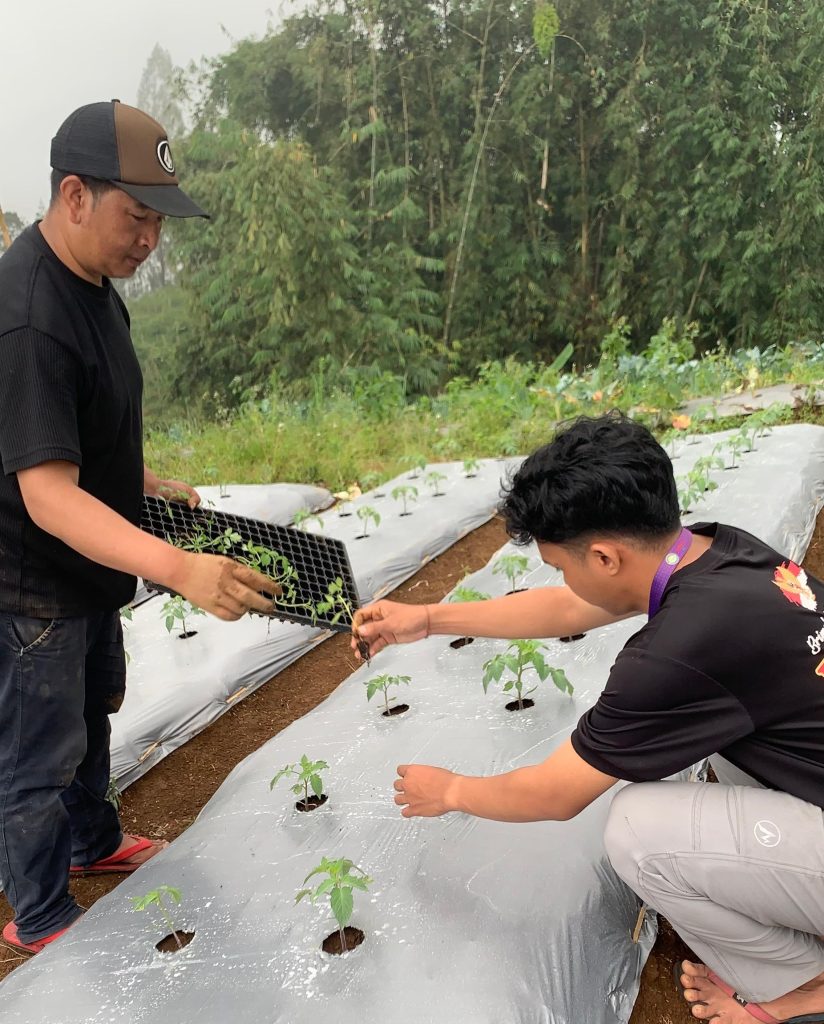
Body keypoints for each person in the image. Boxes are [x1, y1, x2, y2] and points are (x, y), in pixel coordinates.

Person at [352, 412, 824, 1024]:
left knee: (637, 830)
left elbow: (554, 794)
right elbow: (570, 608)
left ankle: (803, 987)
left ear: (603, 557)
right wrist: (428, 618)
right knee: (730, 739)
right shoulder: (719, 550)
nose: (564, 581)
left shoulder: (675, 653)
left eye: (560, 565)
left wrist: (449, 791)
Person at [0, 100, 276, 956]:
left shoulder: (93, 285)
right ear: (75, 196)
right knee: (38, 755)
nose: (150, 240)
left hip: (87, 568)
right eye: (137, 217)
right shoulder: (30, 315)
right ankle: (39, 915)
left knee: (92, 714)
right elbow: (49, 496)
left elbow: (76, 420)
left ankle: (93, 842)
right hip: (34, 584)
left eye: (159, 222)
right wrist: (180, 567)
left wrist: (140, 479)